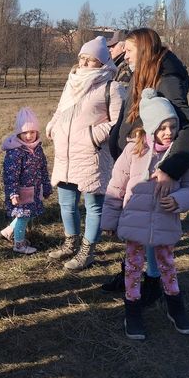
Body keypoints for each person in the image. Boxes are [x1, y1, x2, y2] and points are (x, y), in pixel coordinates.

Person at [104, 28, 189, 326]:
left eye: (129, 50)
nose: (124, 54)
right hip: (133, 158)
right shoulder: (143, 71)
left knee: (153, 237)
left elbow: (186, 126)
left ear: (143, 50)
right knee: (137, 232)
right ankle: (132, 279)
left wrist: (171, 169)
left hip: (152, 167)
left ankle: (155, 289)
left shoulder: (167, 78)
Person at [46, 36, 123, 270]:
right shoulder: (72, 82)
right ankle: (71, 243)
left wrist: (93, 137)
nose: (84, 64)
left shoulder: (112, 86)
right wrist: (52, 127)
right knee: (66, 204)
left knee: (94, 205)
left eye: (90, 61)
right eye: (82, 59)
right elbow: (61, 110)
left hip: (92, 155)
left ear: (101, 63)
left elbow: (118, 122)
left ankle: (88, 251)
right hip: (66, 155)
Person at [0, 107, 52, 254]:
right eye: (25, 133)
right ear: (18, 133)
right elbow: (11, 175)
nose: (29, 136)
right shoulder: (16, 151)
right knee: (23, 217)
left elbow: (43, 168)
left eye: (32, 132)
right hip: (20, 192)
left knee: (26, 215)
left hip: (33, 190)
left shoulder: (38, 148)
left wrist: (46, 186)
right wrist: (13, 193)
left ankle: (9, 231)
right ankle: (19, 244)